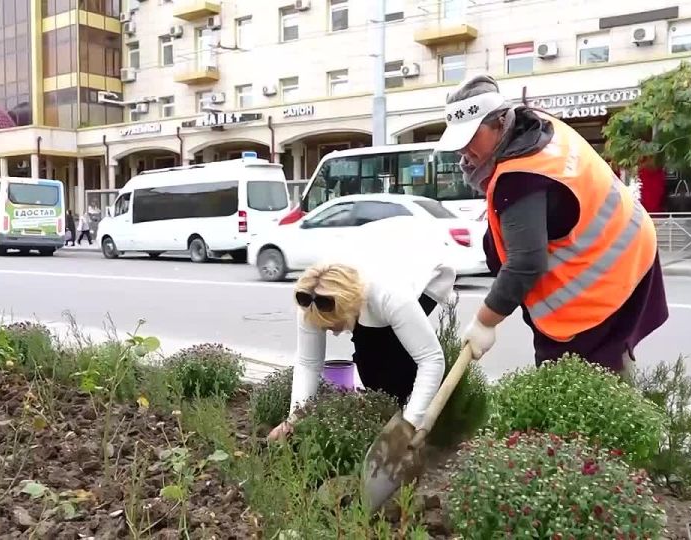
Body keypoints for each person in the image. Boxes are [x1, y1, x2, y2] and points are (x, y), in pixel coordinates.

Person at [434, 74, 668, 382]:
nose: (463, 151)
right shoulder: (537, 129)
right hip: (629, 248)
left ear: (500, 121)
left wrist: (485, 322)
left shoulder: (520, 175)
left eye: (471, 137)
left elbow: (525, 263)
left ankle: (612, 414)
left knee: (577, 379)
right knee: (608, 359)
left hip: (600, 278)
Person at [267, 232, 456, 441]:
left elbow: (431, 359)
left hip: (426, 267)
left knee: (386, 368)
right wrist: (293, 419)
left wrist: (409, 425)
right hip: (373, 258)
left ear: (351, 306)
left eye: (334, 325)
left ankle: (423, 425)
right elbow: (308, 363)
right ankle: (391, 419)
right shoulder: (311, 298)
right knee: (372, 360)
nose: (334, 333)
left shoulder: (390, 296)